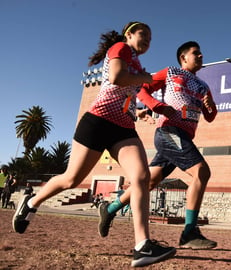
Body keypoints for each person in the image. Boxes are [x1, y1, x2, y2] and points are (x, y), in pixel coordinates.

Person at [12, 21, 176, 267]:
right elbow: (116, 77)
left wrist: (138, 112)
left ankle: (142, 246)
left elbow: (125, 93)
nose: (148, 41)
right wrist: (144, 78)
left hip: (123, 128)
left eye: (151, 39)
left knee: (141, 177)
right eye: (144, 34)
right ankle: (32, 202)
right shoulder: (120, 48)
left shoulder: (138, 63)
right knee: (71, 180)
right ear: (129, 34)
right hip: (97, 122)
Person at [97, 41, 218, 250]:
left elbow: (209, 117)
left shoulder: (203, 87)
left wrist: (210, 106)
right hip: (169, 132)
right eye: (196, 53)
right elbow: (142, 90)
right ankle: (189, 232)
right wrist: (156, 106)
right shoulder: (171, 72)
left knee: (148, 182)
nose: (201, 56)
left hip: (184, 137)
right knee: (202, 172)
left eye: (201, 53)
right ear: (183, 58)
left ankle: (110, 208)